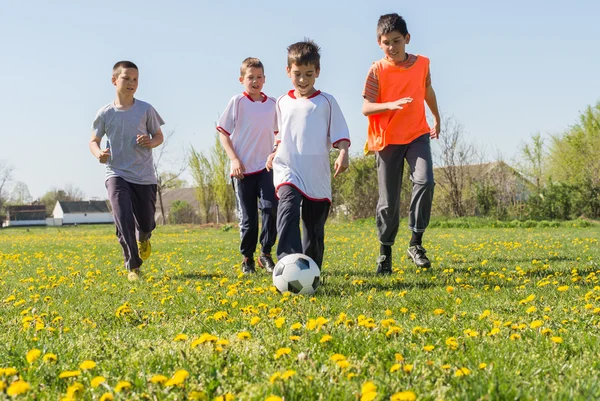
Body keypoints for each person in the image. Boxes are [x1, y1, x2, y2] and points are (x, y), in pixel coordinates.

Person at [362, 13, 441, 274]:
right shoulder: (377, 70)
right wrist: (389, 105)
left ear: (407, 39)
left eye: (396, 41)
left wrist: (436, 117)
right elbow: (366, 107)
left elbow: (427, 90)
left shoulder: (423, 64)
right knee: (389, 202)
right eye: (386, 43)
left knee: (425, 180)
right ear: (378, 42)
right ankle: (385, 253)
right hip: (387, 140)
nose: (392, 47)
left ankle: (415, 243)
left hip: (417, 133)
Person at [266, 39, 350, 270]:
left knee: (314, 228)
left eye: (308, 74)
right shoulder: (282, 102)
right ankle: (288, 263)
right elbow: (280, 134)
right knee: (288, 209)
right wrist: (274, 152)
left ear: (318, 72)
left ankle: (310, 270)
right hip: (288, 168)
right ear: (287, 72)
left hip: (317, 174)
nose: (302, 80)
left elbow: (340, 132)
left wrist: (343, 152)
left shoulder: (326, 102)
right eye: (297, 74)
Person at [89, 60, 164, 281]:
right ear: (114, 80)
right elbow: (93, 140)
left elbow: (159, 135)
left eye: (135, 79)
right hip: (116, 173)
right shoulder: (105, 113)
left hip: (144, 176)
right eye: (126, 78)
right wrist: (98, 154)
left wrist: (151, 141)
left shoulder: (146, 109)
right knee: (123, 218)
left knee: (146, 222)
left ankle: (145, 237)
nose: (132, 83)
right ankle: (133, 265)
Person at [217, 57, 278, 275]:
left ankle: (266, 254)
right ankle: (247, 258)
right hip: (242, 171)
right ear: (241, 79)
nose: (255, 81)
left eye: (259, 77)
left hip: (266, 168)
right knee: (249, 218)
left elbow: (279, 135)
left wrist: (275, 152)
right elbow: (223, 134)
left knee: (271, 209)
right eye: (250, 77)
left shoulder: (273, 104)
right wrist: (234, 159)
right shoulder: (237, 102)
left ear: (265, 79)